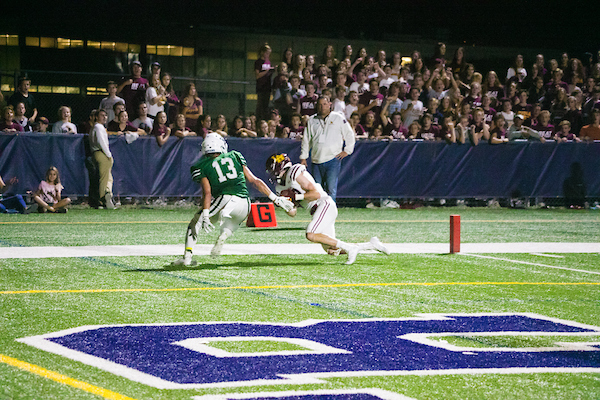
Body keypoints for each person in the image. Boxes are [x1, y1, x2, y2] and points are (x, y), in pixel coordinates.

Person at [171, 133, 295, 266]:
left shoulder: (201, 166)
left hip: (226, 199)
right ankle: (225, 233)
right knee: (232, 223)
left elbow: (207, 192)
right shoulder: (235, 155)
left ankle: (187, 258)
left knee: (194, 224)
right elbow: (254, 181)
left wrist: (206, 214)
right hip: (245, 203)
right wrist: (276, 199)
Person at [266, 153, 389, 265]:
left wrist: (295, 196)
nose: (272, 175)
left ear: (281, 167)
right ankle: (372, 245)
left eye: (273, 171)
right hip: (317, 211)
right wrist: (284, 204)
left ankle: (351, 248)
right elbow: (293, 212)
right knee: (332, 250)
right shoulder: (280, 187)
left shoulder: (295, 173)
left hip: (324, 204)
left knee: (311, 234)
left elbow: (316, 194)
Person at [300, 96, 355, 202]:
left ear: (330, 104)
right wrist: (303, 157)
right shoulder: (311, 120)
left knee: (331, 189)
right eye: (320, 105)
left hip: (332, 158)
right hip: (316, 159)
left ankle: (331, 213)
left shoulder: (338, 118)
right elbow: (306, 140)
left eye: (324, 104)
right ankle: (318, 211)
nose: (322, 107)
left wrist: (348, 150)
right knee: (316, 189)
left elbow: (349, 134)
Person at [89, 109, 116, 209]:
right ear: (97, 117)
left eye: (105, 115)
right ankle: (101, 200)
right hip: (101, 153)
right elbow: (101, 142)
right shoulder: (98, 127)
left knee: (108, 177)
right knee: (104, 178)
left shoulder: (95, 127)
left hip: (97, 153)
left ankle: (108, 193)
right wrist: (108, 155)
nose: (105, 117)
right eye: (102, 115)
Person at [254, 44, 274, 122]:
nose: (268, 55)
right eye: (266, 53)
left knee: (266, 105)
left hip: (267, 86)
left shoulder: (268, 62)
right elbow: (257, 75)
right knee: (260, 105)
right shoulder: (258, 62)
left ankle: (265, 120)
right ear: (262, 52)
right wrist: (267, 71)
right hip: (261, 86)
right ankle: (259, 120)